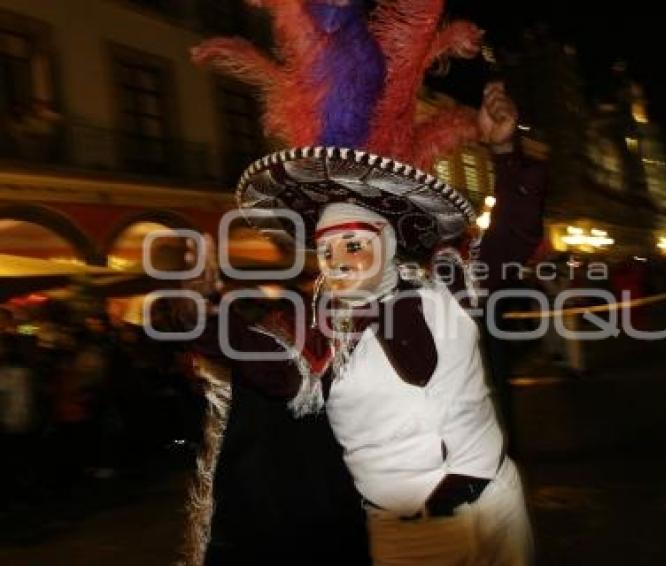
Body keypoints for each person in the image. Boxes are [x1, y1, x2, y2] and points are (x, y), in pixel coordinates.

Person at [173, 1, 545, 564]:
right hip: (411, 540)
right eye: (327, 250)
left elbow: (513, 235)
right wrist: (204, 311)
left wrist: (505, 151)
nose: (340, 259)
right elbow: (260, 359)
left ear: (386, 243)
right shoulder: (320, 334)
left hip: (500, 507)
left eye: (353, 244)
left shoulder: (451, 283)